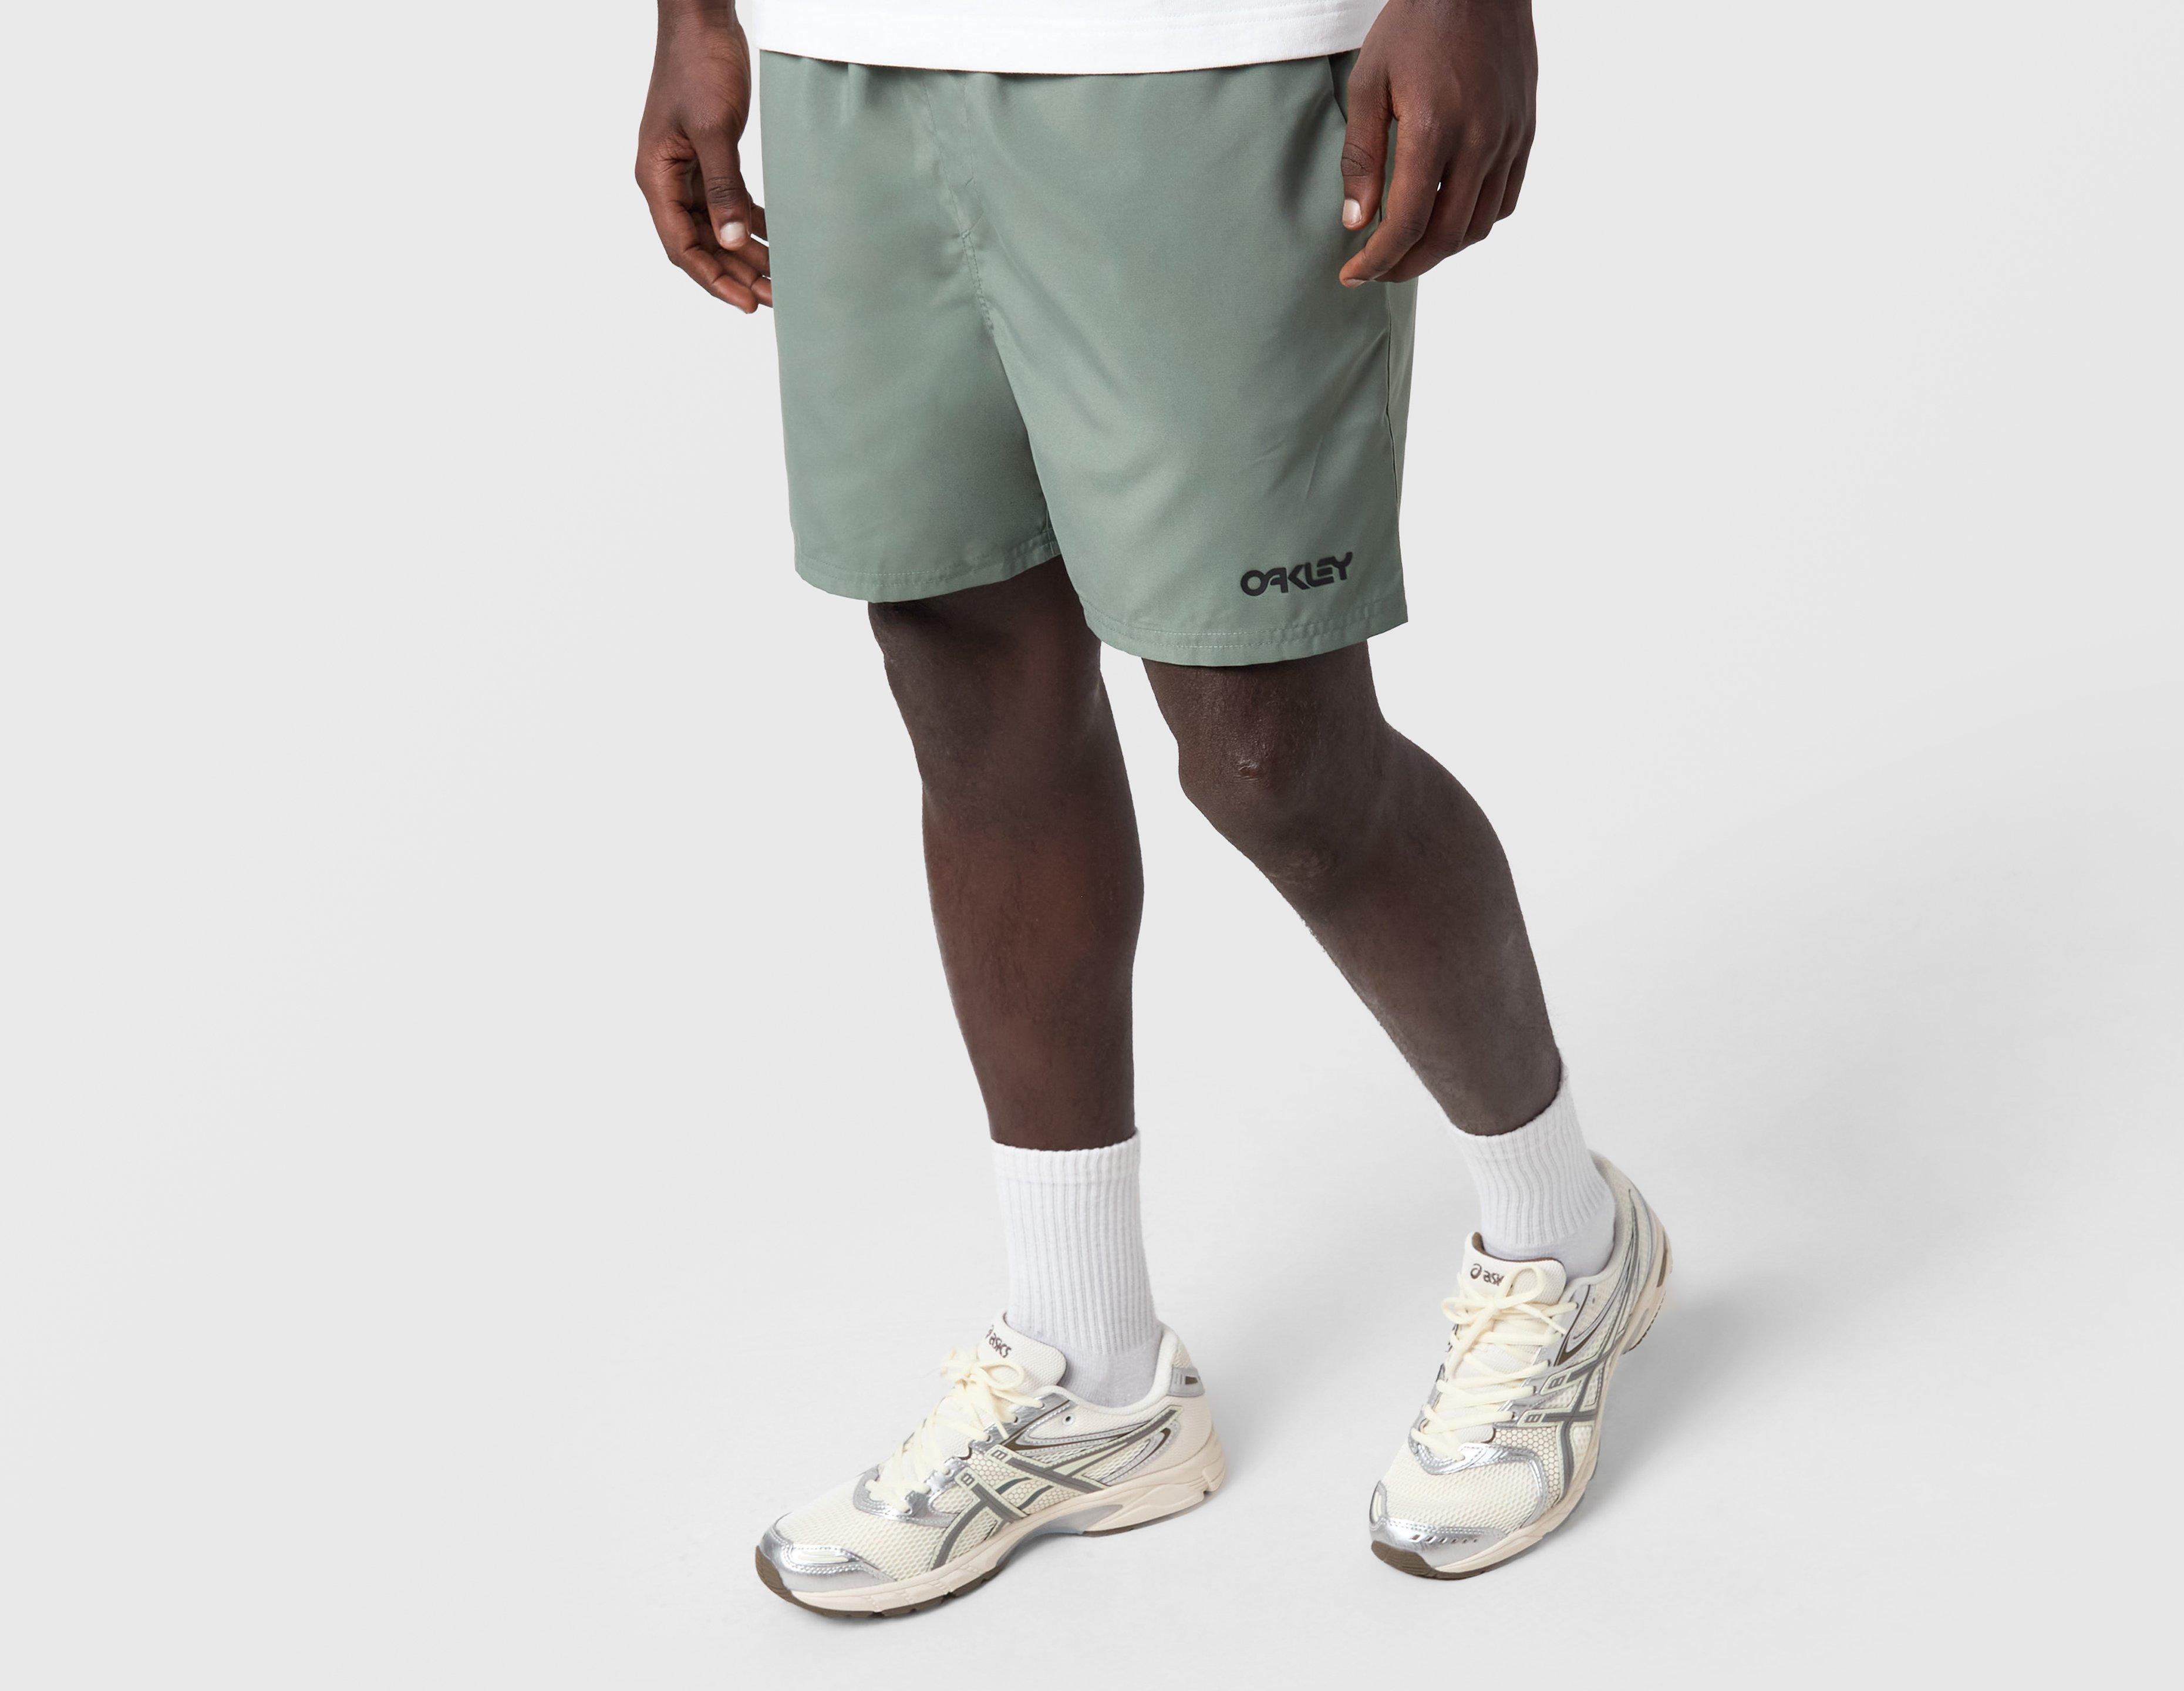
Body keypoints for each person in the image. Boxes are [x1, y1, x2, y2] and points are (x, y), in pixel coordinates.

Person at [636, 0, 1670, 1613]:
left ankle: (1569, 1246)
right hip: (853, 67)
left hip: (1210, 64)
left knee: (1275, 756)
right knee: (968, 685)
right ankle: (1091, 1372)